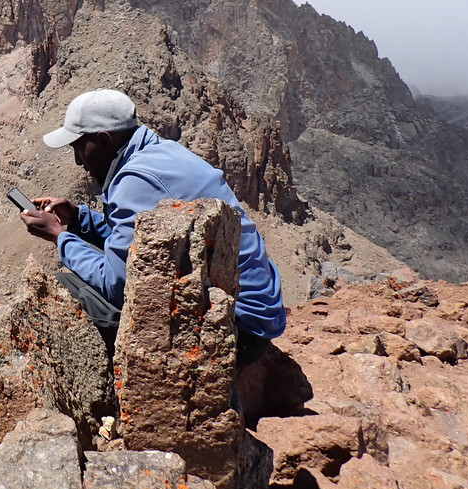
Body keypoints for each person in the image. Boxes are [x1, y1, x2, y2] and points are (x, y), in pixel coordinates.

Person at [19, 88, 286, 345]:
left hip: (236, 327)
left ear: (103, 139)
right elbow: (144, 245)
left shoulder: (135, 181)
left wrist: (59, 236)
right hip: (260, 310)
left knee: (62, 287)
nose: (78, 161)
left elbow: (115, 284)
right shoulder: (162, 151)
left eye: (78, 147)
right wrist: (79, 220)